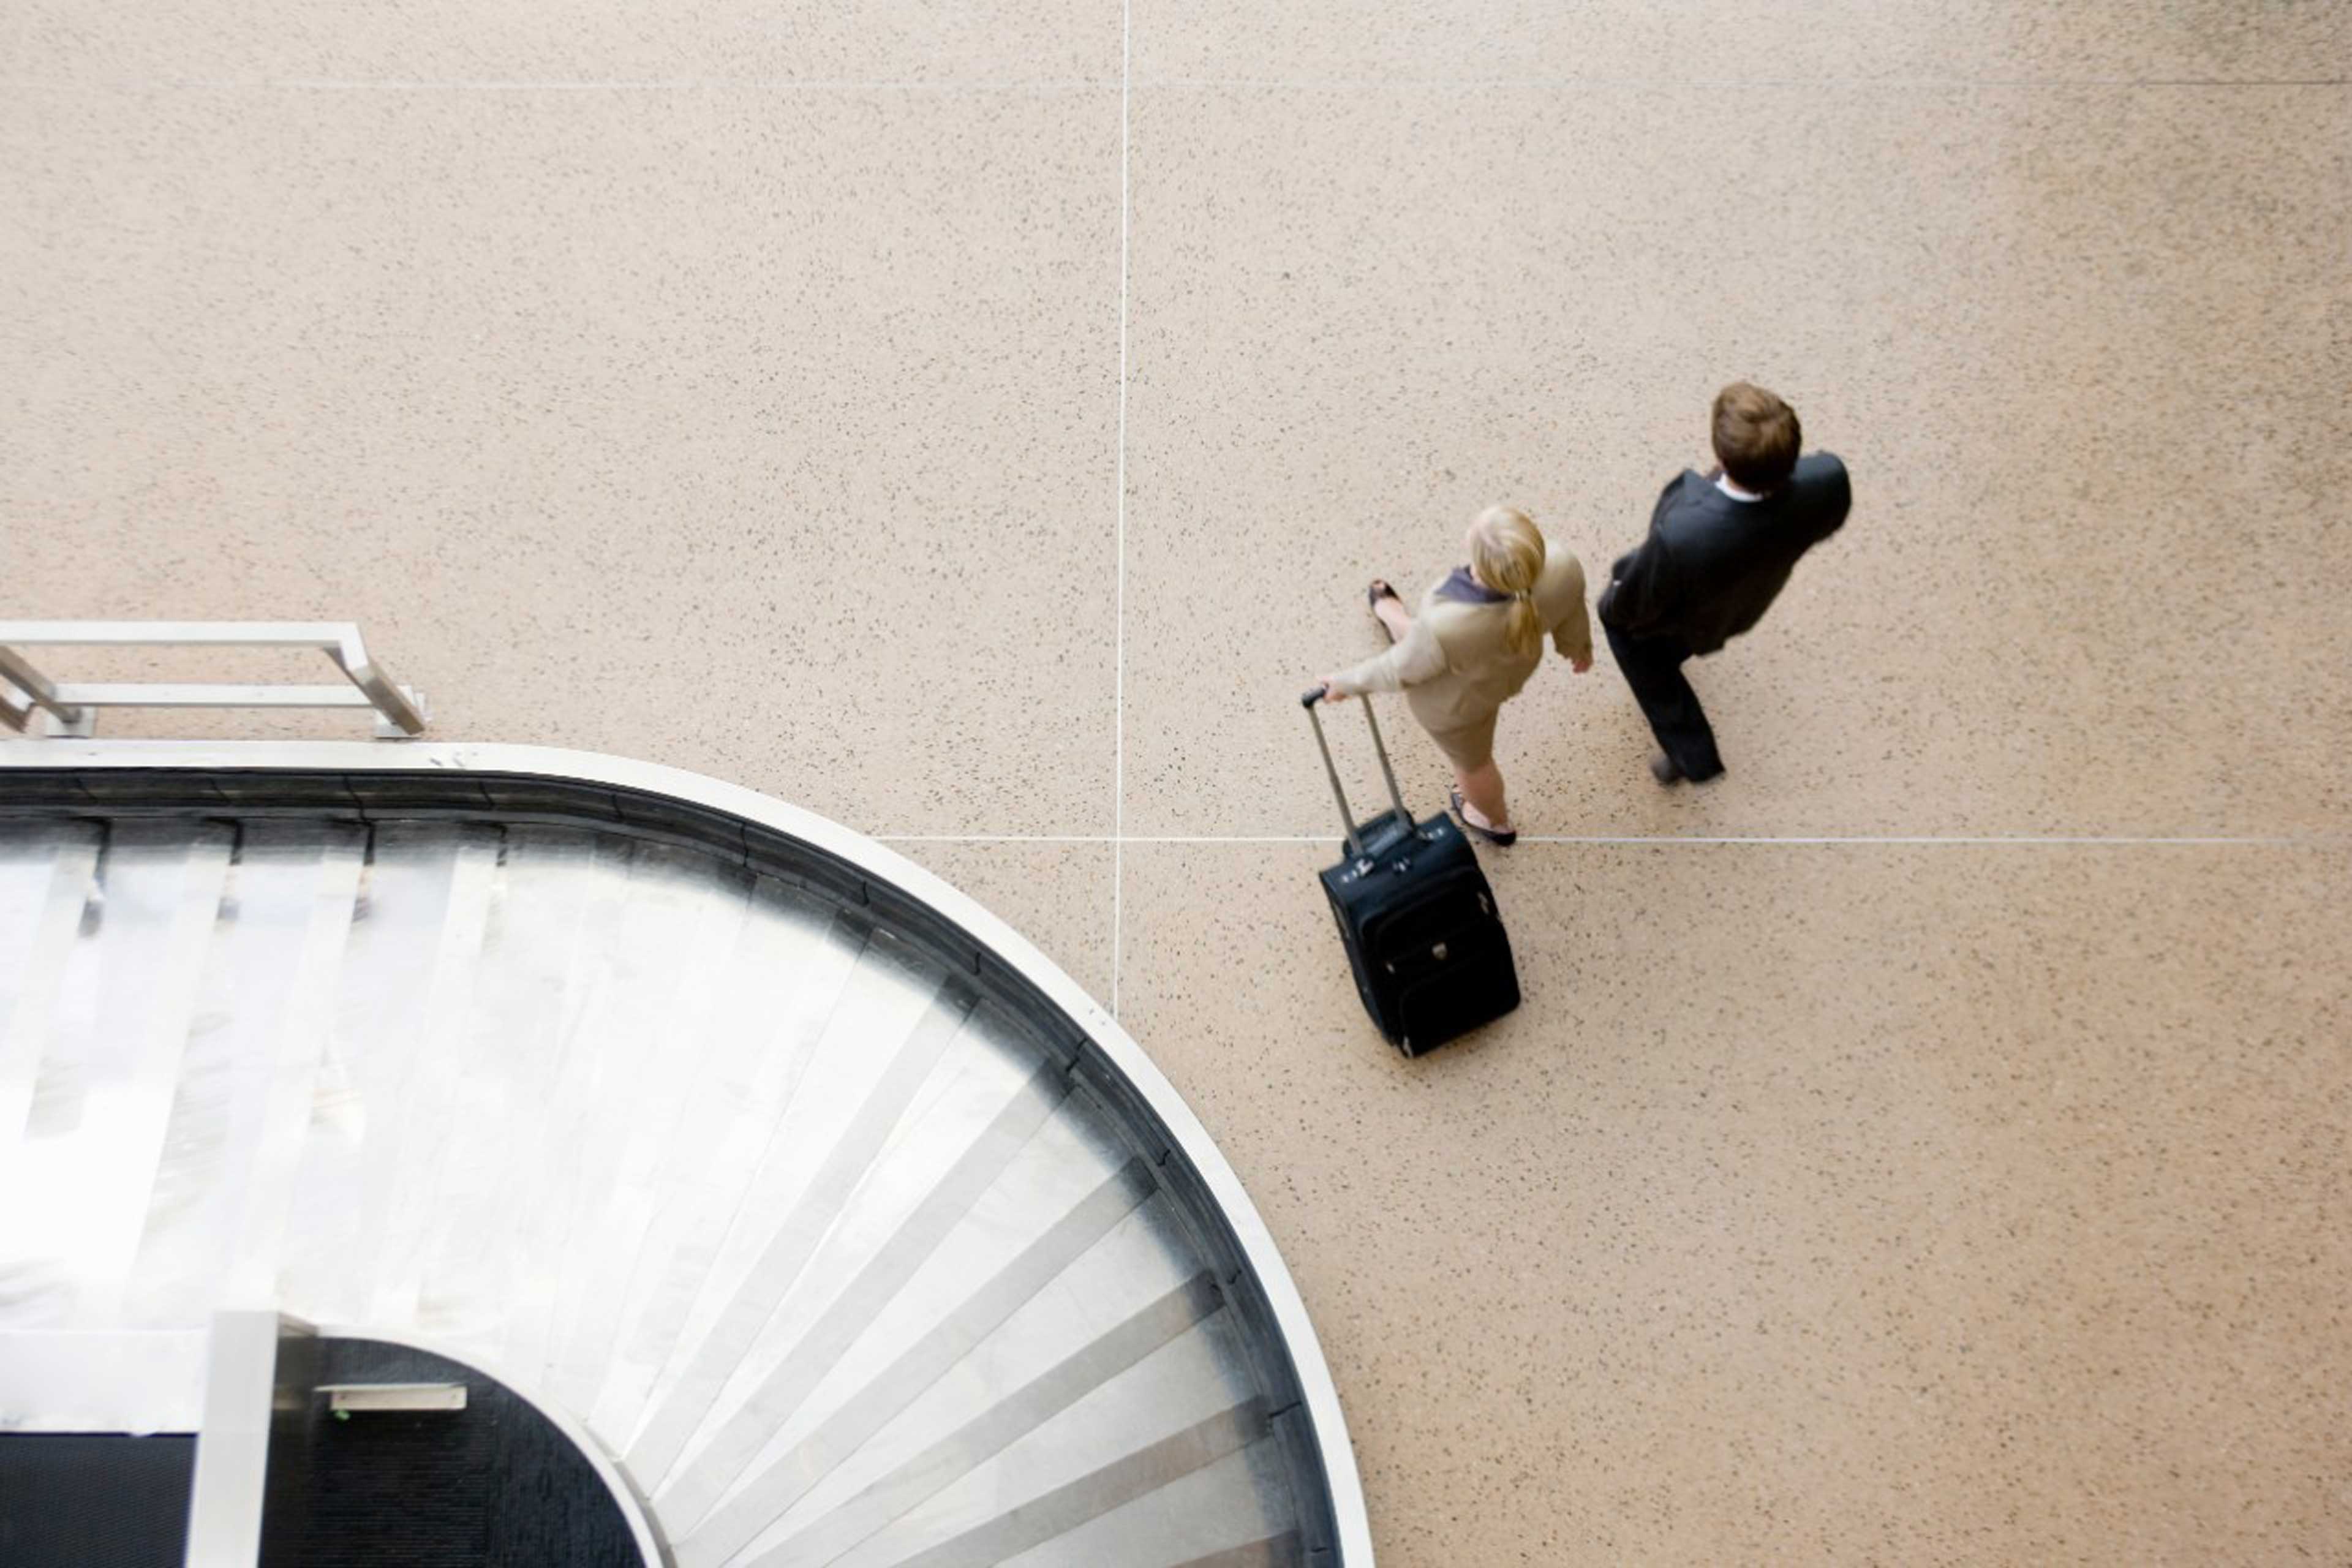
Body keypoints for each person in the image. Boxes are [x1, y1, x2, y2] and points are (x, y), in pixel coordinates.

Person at [1598, 382, 1851, 785]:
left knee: (1631, 638)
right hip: (1745, 604)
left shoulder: (1684, 532)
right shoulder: (1829, 478)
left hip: (1686, 603)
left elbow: (1635, 602)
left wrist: (1612, 602)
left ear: (1721, 456)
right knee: (1684, 639)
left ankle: (1691, 750)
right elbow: (1829, 520)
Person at [1316, 505, 1592, 847]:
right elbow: (1572, 607)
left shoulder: (1446, 626)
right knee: (1424, 644)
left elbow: (1399, 669)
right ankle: (1393, 617)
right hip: (1505, 672)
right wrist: (1577, 647)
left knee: (1474, 765)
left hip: (1458, 706)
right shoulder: (1562, 563)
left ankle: (1495, 820)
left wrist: (1345, 683)